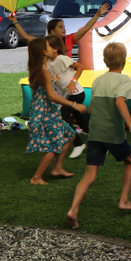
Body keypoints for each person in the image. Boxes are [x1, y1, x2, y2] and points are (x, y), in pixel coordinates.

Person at [66, 42, 131, 229]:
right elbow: (120, 102)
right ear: (124, 61)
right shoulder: (124, 80)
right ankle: (124, 200)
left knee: (90, 174)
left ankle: (73, 209)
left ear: (105, 61)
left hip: (95, 132)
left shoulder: (98, 80)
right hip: (112, 133)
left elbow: (92, 107)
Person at [25, 36, 86, 184]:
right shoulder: (44, 71)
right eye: (50, 47)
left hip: (46, 111)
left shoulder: (42, 69)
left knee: (70, 135)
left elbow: (45, 90)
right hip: (45, 113)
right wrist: (73, 105)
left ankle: (57, 167)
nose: (54, 48)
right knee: (54, 145)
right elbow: (51, 96)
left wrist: (54, 81)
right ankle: (36, 177)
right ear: (44, 52)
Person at [47, 34, 89, 159]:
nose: (44, 50)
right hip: (68, 96)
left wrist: (73, 81)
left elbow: (80, 67)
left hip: (76, 94)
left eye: (46, 47)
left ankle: (78, 144)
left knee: (62, 116)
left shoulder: (62, 58)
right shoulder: (49, 62)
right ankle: (104, 144)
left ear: (55, 49)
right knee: (82, 123)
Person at [12, 1, 111, 52]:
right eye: (60, 27)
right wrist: (15, 21)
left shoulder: (70, 39)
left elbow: (86, 28)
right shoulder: (44, 42)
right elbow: (26, 37)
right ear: (52, 31)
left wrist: (98, 14)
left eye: (64, 26)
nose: (64, 29)